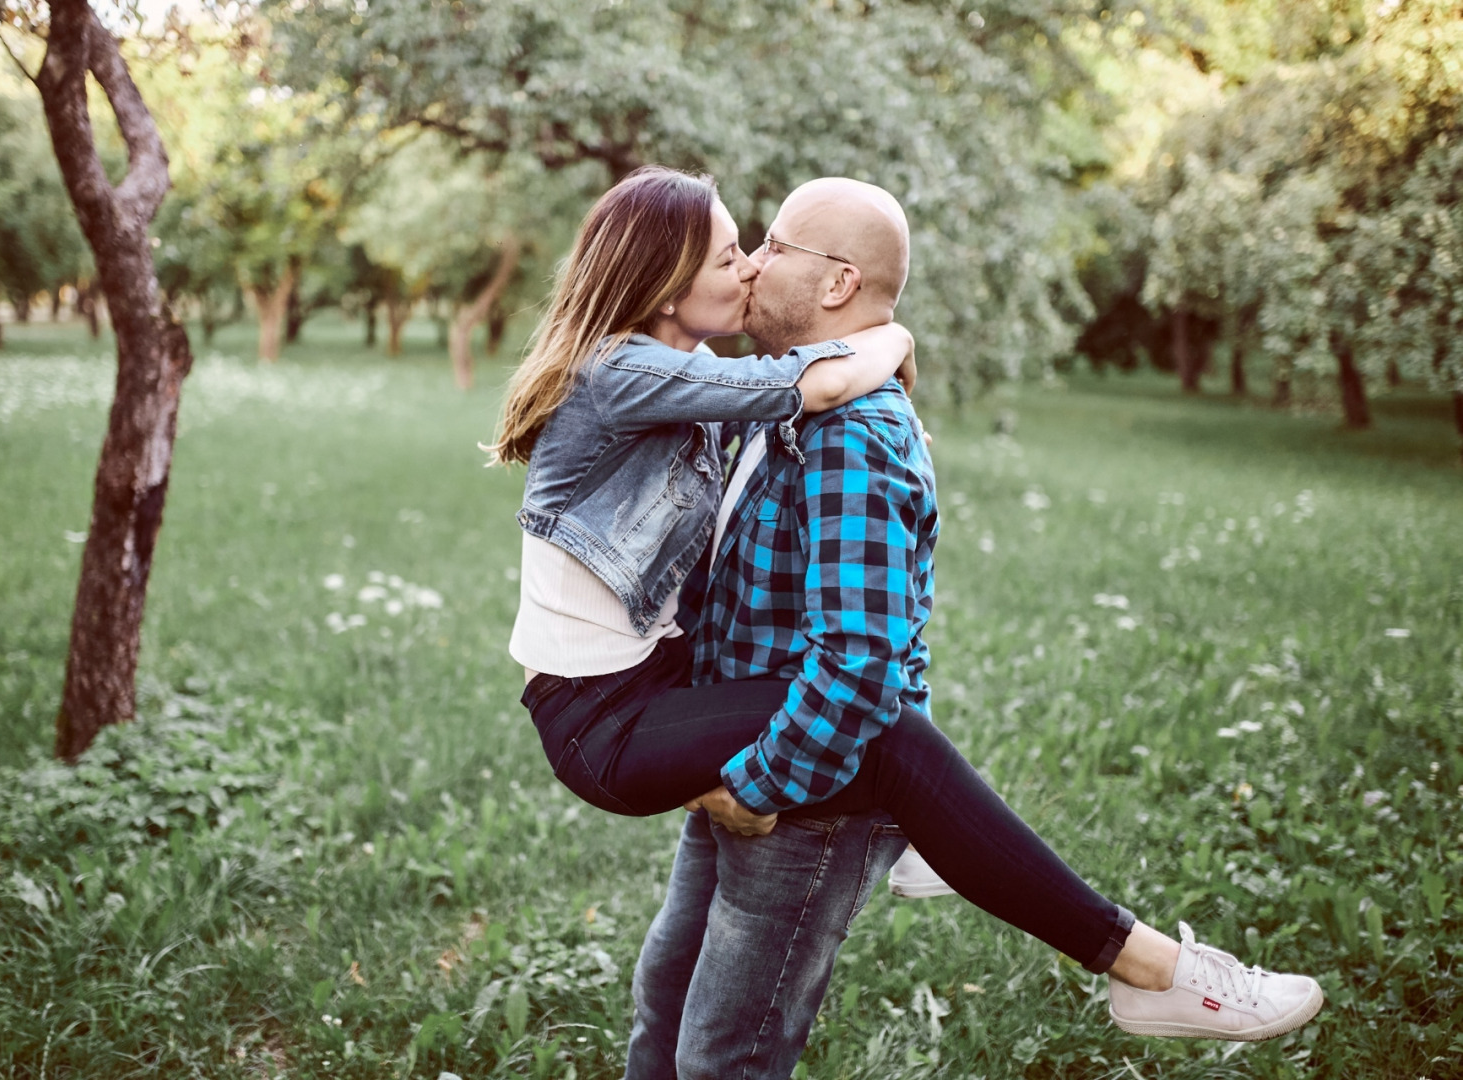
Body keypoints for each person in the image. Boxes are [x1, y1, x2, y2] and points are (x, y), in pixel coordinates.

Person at [490, 167, 1324, 1073]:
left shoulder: (847, 434)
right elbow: (787, 405)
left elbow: (857, 664)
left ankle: (1144, 962)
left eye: (766, 247)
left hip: (782, 769)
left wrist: (757, 786)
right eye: (738, 250)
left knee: (726, 1044)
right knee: (666, 998)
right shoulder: (701, 387)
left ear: (838, 281)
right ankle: (945, 834)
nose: (755, 267)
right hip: (668, 718)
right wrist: (885, 341)